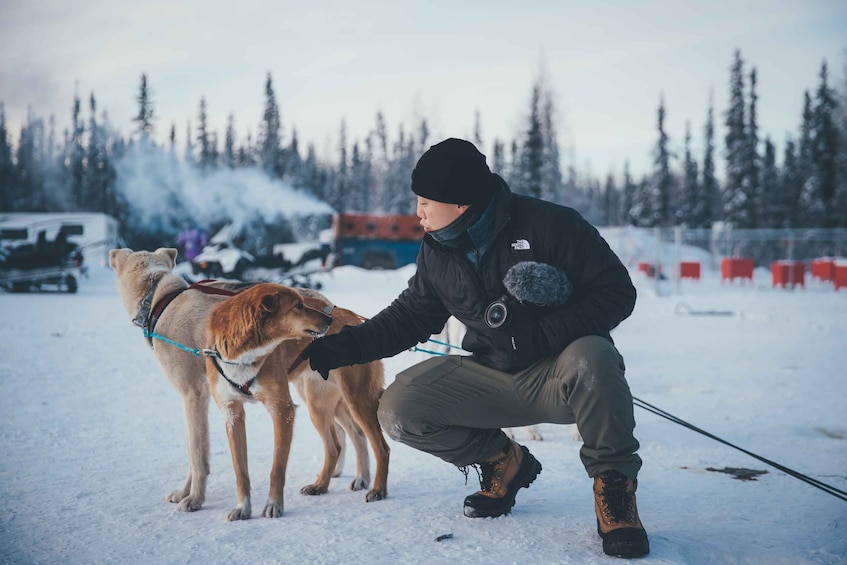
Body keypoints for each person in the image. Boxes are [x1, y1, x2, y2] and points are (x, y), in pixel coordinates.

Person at [303, 138, 648, 559]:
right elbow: (409, 317)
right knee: (398, 409)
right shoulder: (437, 250)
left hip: (560, 373)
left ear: (461, 202)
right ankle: (504, 461)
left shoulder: (552, 225)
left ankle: (614, 489)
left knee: (594, 356)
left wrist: (544, 334)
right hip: (492, 375)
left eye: (426, 201)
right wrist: (343, 347)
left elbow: (616, 292)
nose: (418, 212)